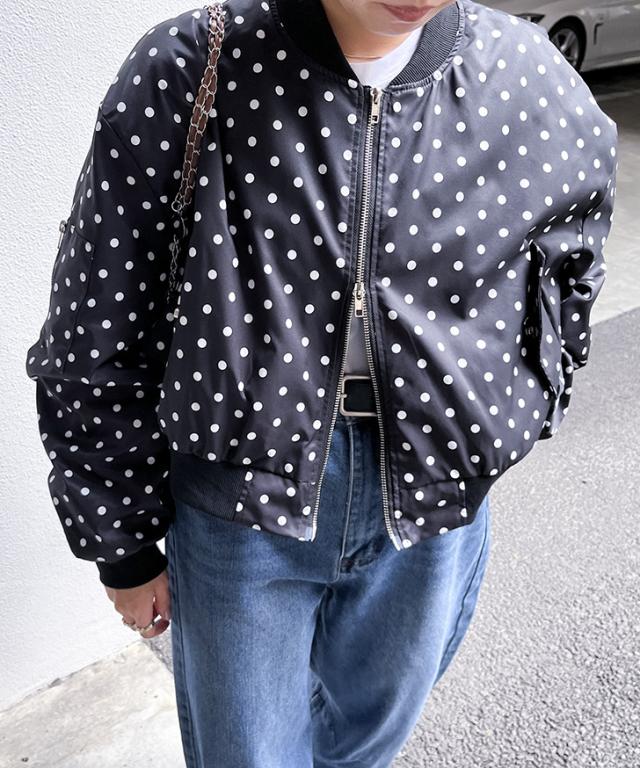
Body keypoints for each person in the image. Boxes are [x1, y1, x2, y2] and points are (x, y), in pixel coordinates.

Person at [25, 0, 618, 765]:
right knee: (247, 752)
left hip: (437, 489)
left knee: (372, 734)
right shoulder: (191, 67)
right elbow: (96, 321)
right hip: (240, 498)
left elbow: (573, 253)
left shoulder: (526, 76)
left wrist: (523, 402)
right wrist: (123, 543)